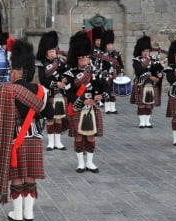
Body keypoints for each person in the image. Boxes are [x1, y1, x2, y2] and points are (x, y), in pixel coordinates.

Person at [0, 39, 51, 221]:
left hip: (14, 139)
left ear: (14, 71)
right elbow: (50, 113)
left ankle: (17, 213)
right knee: (30, 175)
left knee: (16, 176)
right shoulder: (40, 90)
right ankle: (29, 213)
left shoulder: (5, 90)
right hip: (34, 139)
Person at [63, 30, 110, 173]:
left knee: (90, 135)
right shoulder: (70, 74)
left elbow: (106, 87)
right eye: (81, 59)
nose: (84, 61)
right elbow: (69, 93)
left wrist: (101, 96)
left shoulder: (95, 72)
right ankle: (80, 163)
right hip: (79, 107)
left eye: (86, 58)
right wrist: (83, 100)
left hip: (92, 108)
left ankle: (90, 162)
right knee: (78, 136)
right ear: (76, 59)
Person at [36, 31, 68, 151]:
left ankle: (58, 142)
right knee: (50, 118)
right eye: (50, 52)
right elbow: (43, 80)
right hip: (49, 94)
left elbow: (67, 74)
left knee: (59, 118)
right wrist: (56, 83)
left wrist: (65, 79)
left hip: (59, 94)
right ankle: (50, 142)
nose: (52, 54)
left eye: (53, 51)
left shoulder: (61, 63)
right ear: (46, 53)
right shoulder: (42, 65)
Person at [130, 35, 164, 128]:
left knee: (149, 103)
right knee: (141, 103)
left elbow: (160, 68)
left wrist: (160, 73)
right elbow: (139, 71)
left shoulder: (153, 59)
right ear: (140, 51)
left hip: (150, 84)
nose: (146, 53)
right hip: (141, 83)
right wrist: (151, 77)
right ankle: (141, 121)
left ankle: (147, 121)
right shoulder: (136, 60)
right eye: (144, 51)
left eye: (147, 51)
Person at [99, 29, 124, 114]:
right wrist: (106, 74)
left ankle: (113, 108)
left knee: (114, 92)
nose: (110, 46)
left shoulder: (117, 54)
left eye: (111, 44)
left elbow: (121, 64)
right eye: (108, 44)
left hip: (115, 75)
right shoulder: (102, 55)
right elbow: (101, 67)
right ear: (105, 45)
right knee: (107, 91)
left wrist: (121, 73)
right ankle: (107, 108)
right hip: (107, 76)